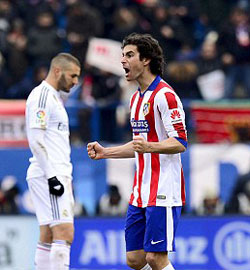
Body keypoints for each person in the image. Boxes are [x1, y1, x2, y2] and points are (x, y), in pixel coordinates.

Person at [87, 33, 187, 270]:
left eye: (129, 55)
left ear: (146, 60)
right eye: (122, 55)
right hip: (140, 190)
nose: (122, 61)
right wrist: (105, 153)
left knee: (155, 258)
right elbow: (137, 146)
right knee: (135, 259)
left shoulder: (166, 96)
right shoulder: (135, 100)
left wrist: (150, 146)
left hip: (163, 189)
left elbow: (180, 142)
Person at [25, 53, 81, 270]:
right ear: (58, 71)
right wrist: (52, 177)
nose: (75, 82)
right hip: (50, 173)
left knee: (48, 233)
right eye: (73, 76)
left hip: (54, 172)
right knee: (65, 232)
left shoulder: (54, 97)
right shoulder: (42, 97)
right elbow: (35, 140)